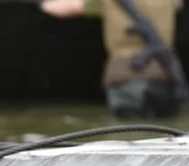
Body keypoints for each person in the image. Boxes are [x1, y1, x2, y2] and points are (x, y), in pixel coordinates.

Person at [41, 0, 181, 118]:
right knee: (166, 132)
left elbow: (69, 7)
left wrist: (46, 5)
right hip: (164, 73)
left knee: (131, 134)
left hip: (127, 74)